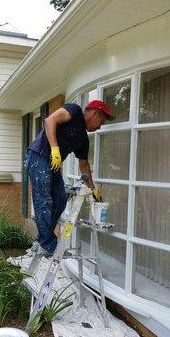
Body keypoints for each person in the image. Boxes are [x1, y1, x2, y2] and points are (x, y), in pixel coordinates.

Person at [25, 100, 114, 256]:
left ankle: (43, 241)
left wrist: (93, 190)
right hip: (38, 157)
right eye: (101, 122)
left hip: (52, 164)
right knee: (43, 200)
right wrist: (54, 148)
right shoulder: (74, 111)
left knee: (60, 200)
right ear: (95, 114)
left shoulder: (83, 140)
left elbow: (84, 166)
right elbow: (49, 120)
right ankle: (48, 245)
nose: (100, 126)